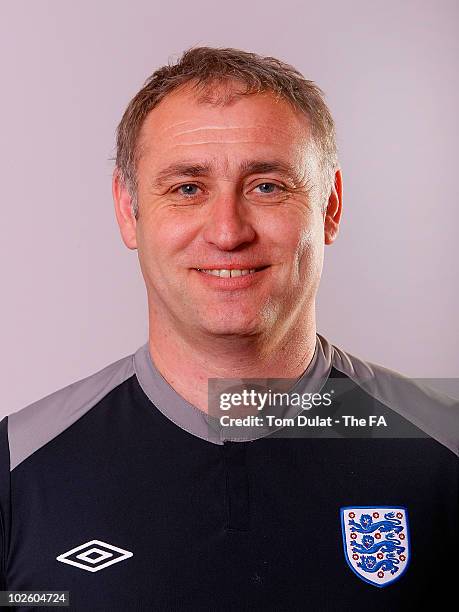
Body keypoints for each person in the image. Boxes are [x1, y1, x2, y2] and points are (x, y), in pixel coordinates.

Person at [0, 47, 457, 611]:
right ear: (128, 210)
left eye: (267, 185)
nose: (227, 232)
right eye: (187, 188)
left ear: (330, 206)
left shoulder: (445, 449)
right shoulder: (18, 469)